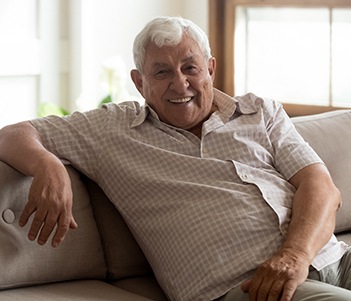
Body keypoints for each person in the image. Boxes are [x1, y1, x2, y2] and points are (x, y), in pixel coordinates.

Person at [0, 16, 350, 301]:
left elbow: (320, 186)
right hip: (250, 286)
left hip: (327, 256)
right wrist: (49, 166)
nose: (180, 84)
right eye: (162, 72)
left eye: (190, 68)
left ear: (210, 68)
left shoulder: (259, 112)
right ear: (140, 82)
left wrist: (296, 256)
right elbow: (12, 134)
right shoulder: (112, 130)